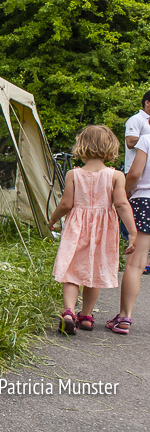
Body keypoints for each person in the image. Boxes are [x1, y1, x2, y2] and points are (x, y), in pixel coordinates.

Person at [48, 125, 136, 335]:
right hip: (103, 231)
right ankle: (86, 316)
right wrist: (132, 232)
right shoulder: (116, 176)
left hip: (76, 228)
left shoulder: (73, 174)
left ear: (82, 145)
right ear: (110, 147)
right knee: (94, 272)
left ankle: (69, 312)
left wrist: (53, 219)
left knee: (71, 271)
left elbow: (66, 204)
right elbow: (121, 204)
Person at [108, 125, 150, 334]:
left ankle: (125, 317)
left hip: (145, 202)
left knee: (136, 264)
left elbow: (134, 173)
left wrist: (123, 191)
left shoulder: (147, 139)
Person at [124, 90, 150, 273]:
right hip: (136, 175)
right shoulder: (136, 119)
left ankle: (144, 260)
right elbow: (130, 141)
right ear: (147, 102)